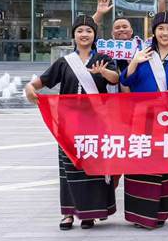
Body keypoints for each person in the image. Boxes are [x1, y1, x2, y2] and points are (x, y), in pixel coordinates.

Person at [25, 15, 119, 230]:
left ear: (95, 35)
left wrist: (103, 71)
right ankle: (68, 213)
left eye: (88, 31)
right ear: (74, 35)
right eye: (80, 31)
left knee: (92, 167)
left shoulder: (103, 58)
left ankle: (89, 214)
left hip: (96, 123)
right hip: (68, 125)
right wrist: (29, 88)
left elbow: (115, 78)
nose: (84, 34)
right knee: (68, 169)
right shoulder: (64, 62)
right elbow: (40, 82)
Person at [119, 11, 168, 229]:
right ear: (154, 32)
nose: (165, 33)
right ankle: (140, 215)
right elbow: (125, 81)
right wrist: (134, 62)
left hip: (167, 121)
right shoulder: (144, 55)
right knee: (140, 165)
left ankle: (159, 214)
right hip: (141, 119)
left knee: (163, 166)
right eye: (160, 29)